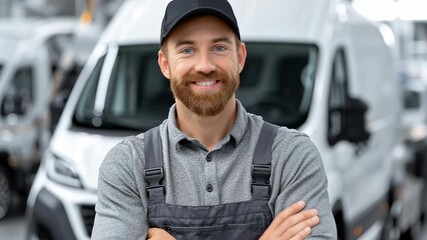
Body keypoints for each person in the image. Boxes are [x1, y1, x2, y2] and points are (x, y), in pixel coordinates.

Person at [92, 0, 337, 239]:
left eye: (219, 48)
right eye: (187, 50)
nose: (205, 65)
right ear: (165, 64)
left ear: (240, 57)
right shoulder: (127, 164)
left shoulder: (291, 155)